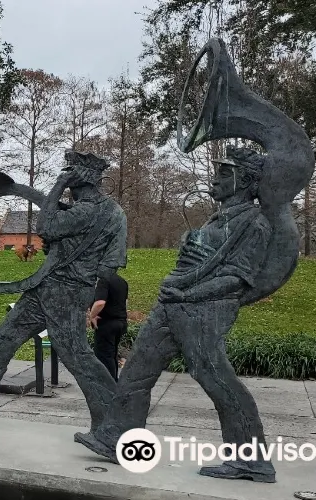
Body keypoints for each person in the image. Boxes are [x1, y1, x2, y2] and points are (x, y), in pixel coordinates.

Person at [75, 146, 276, 483]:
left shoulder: (254, 224)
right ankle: (117, 438)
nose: (214, 179)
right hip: (173, 303)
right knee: (137, 369)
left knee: (215, 378)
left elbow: (237, 279)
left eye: (223, 174)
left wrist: (187, 293)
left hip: (204, 310)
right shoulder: (218, 218)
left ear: (244, 181)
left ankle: (251, 459)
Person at [0, 151, 127, 433]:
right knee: (1, 341)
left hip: (65, 293)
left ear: (79, 179)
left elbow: (45, 226)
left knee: (78, 357)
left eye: (69, 174)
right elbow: (110, 263)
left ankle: (115, 424)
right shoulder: (113, 213)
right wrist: (64, 253)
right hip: (48, 289)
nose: (66, 179)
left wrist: (58, 185)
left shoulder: (87, 211)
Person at [88, 269, 128, 381]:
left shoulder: (104, 280)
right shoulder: (122, 281)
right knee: (112, 354)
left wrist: (92, 316)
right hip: (120, 322)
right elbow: (125, 302)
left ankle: (108, 383)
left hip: (107, 324)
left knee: (104, 356)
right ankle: (114, 381)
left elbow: (100, 302)